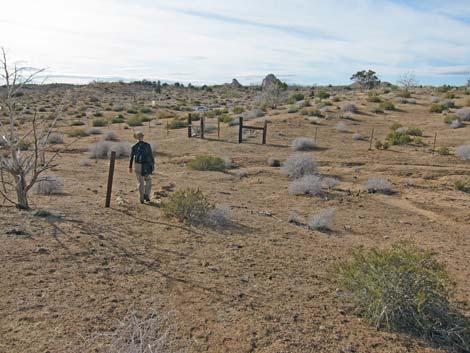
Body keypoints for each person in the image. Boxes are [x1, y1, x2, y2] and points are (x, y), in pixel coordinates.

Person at [129, 132, 154, 203]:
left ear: (136, 138)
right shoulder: (147, 145)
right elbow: (151, 157)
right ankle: (147, 195)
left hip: (138, 165)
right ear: (142, 137)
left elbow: (131, 158)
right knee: (148, 180)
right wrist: (152, 166)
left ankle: (141, 198)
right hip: (146, 165)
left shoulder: (134, 146)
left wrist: (130, 167)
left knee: (140, 182)